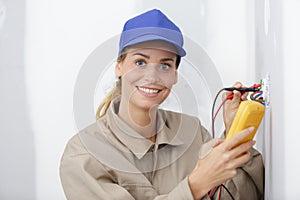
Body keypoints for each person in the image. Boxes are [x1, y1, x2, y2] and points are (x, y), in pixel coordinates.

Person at [59, 9, 264, 200]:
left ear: (174, 75)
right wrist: (195, 186)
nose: (152, 76)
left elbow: (244, 196)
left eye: (165, 65)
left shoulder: (193, 133)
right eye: (140, 62)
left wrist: (234, 134)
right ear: (119, 67)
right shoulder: (83, 155)